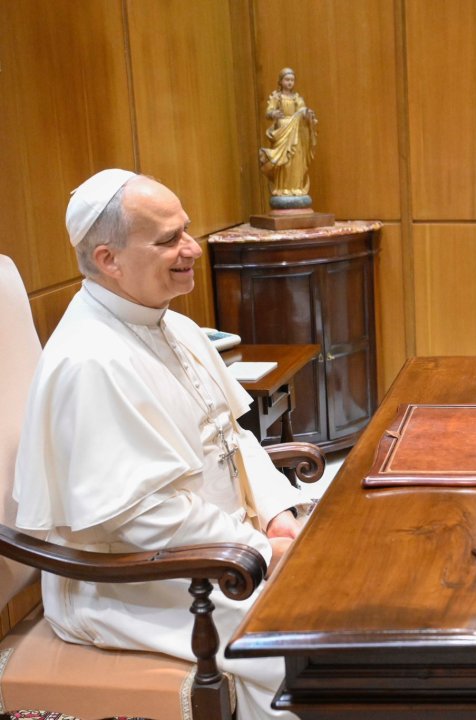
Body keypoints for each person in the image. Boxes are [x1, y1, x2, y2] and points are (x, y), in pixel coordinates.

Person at [13, 169, 309, 719]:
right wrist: (260, 552)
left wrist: (275, 516)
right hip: (133, 582)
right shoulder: (90, 360)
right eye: (169, 239)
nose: (192, 248)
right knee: (302, 655)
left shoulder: (171, 325)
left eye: (186, 230)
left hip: (215, 550)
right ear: (109, 260)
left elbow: (233, 438)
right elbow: (143, 518)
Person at [259, 67, 318, 206]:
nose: (290, 82)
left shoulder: (297, 98)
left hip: (295, 133)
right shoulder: (277, 97)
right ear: (281, 81)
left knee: (295, 159)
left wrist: (308, 114)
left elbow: (303, 111)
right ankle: (282, 188)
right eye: (287, 79)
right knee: (284, 161)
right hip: (282, 131)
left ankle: (296, 188)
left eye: (292, 80)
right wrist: (273, 114)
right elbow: (268, 112)